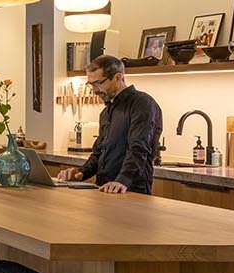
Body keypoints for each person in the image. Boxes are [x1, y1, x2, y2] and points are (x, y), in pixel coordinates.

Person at [57, 54, 161, 195]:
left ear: (118, 77)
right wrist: (81, 173)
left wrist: (122, 181)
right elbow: (99, 152)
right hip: (104, 189)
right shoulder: (106, 112)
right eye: (91, 85)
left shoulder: (142, 104)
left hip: (131, 190)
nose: (94, 90)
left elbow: (139, 147)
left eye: (98, 83)